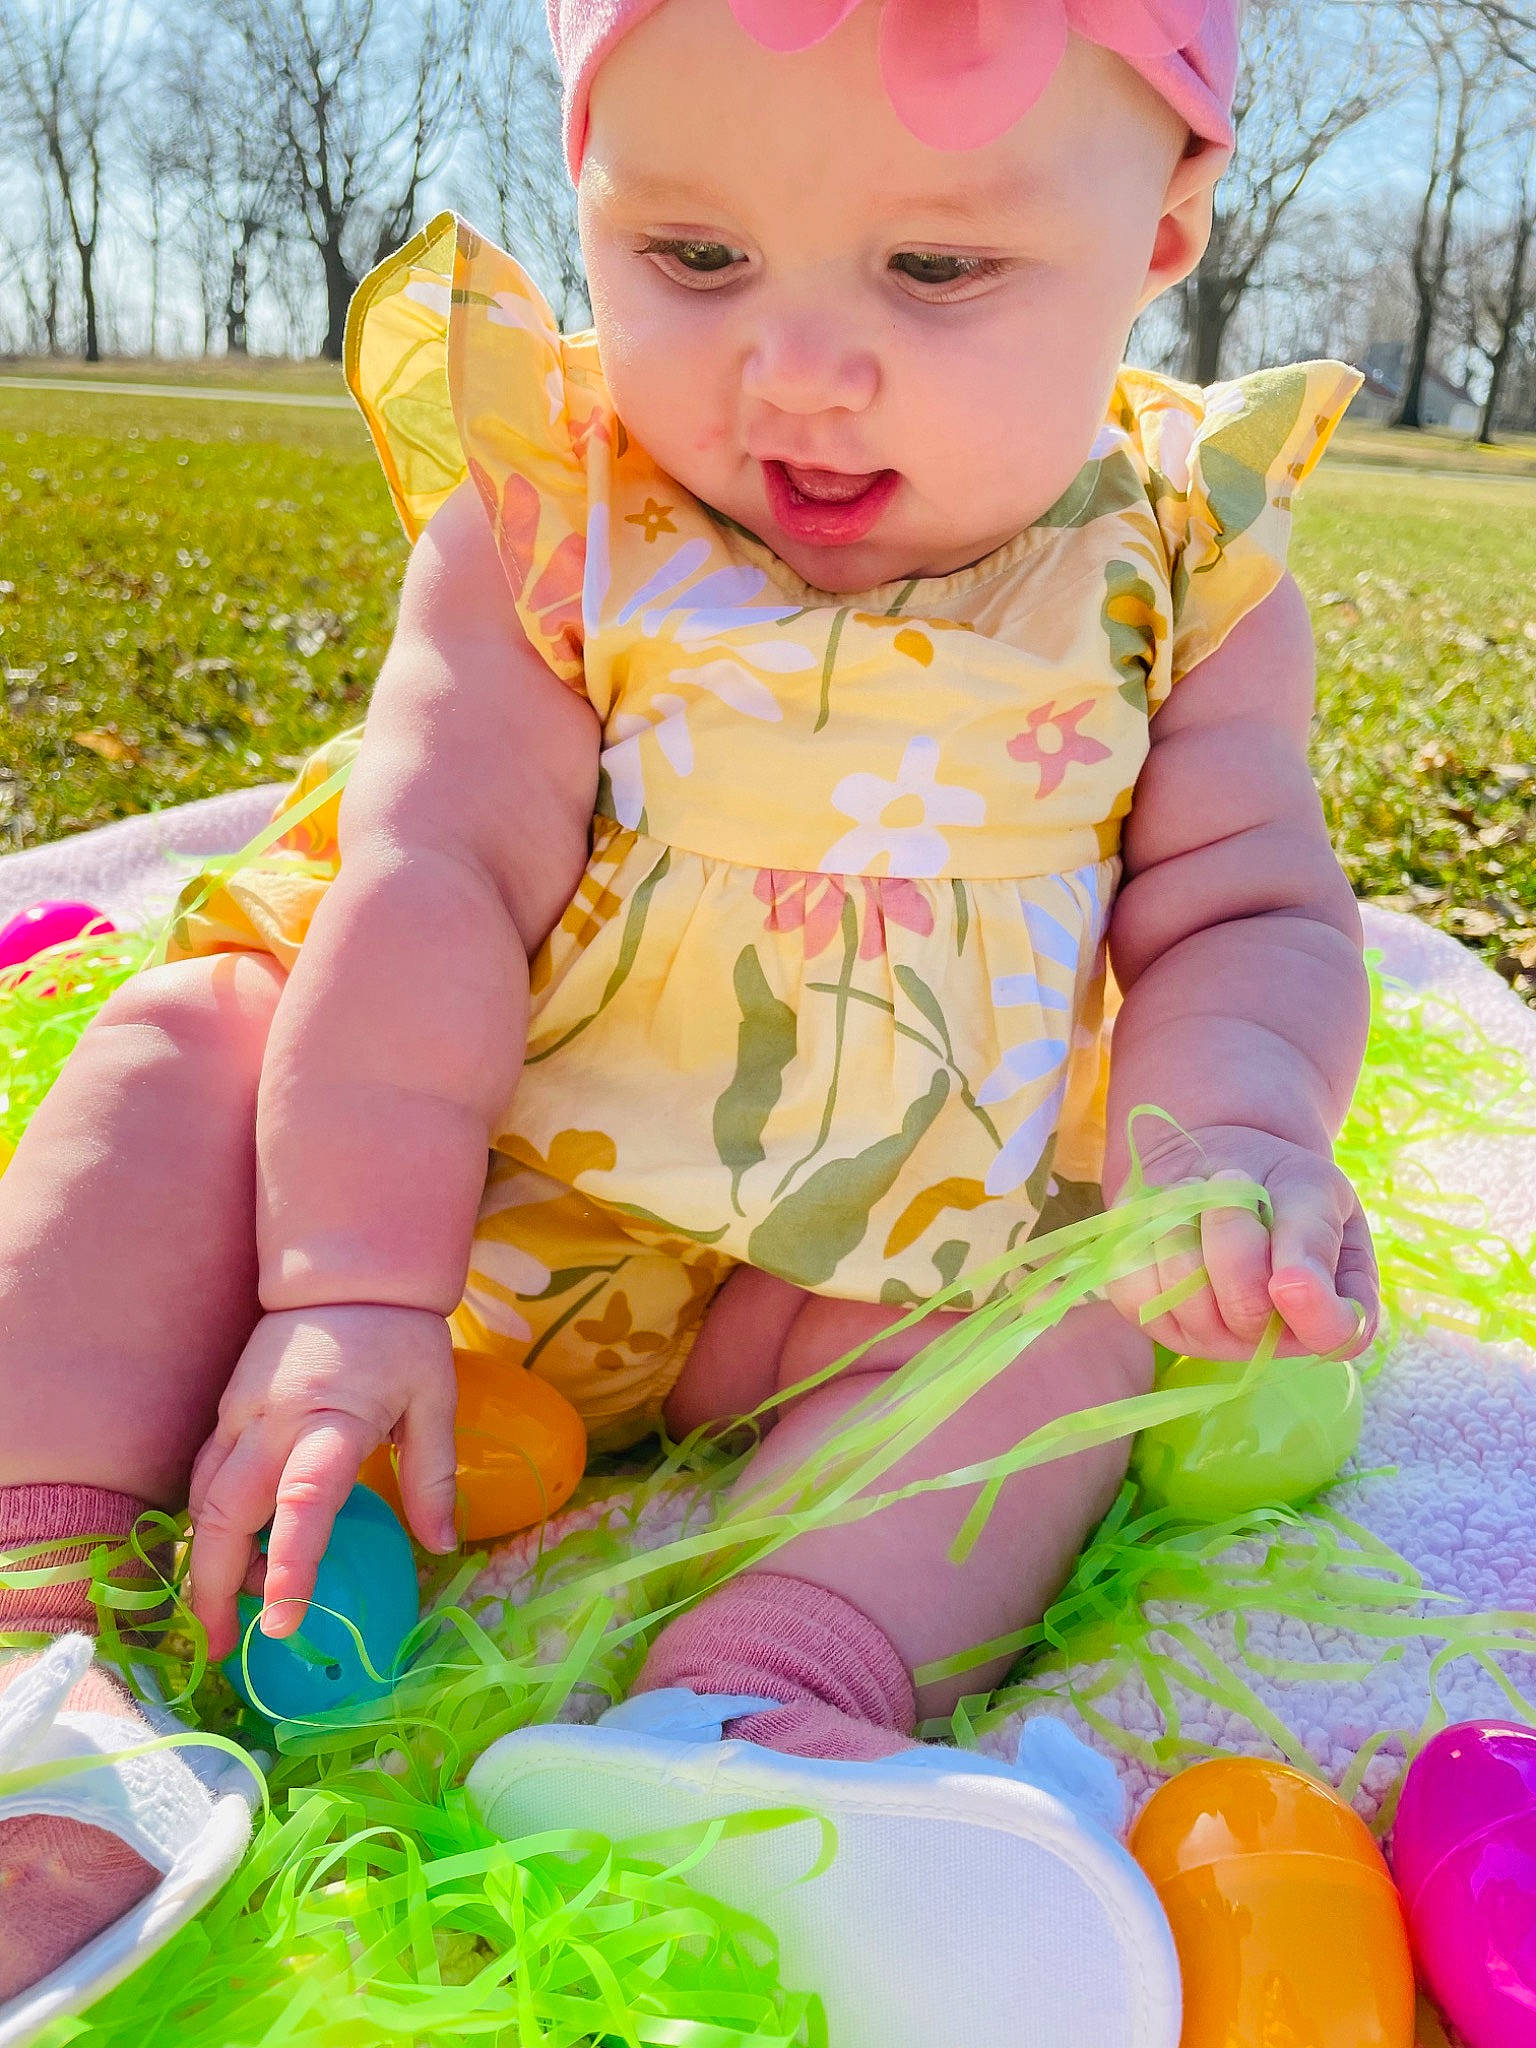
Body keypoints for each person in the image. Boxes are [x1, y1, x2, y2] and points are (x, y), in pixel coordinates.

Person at [0, 0, 1377, 2028]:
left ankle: (753, 1704)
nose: (793, 367)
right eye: (695, 256)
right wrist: (348, 1287)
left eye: (935, 268)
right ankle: (39, 1629)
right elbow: (436, 878)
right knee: (187, 1046)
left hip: (846, 1269)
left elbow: (1241, 903)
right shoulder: (560, 519)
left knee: (1099, 1292)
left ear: (1165, 226)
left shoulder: (1184, 563)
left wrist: (1235, 1141)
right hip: (451, 1198)